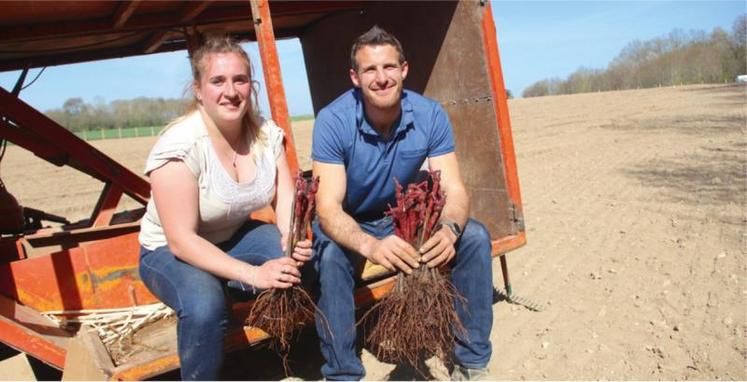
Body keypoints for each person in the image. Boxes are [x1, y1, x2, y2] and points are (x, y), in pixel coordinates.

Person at [311, 26, 494, 380]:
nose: (381, 78)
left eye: (389, 67)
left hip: (402, 217)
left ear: (404, 69)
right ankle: (342, 373)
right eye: (370, 70)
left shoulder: (429, 115)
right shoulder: (333, 121)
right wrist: (370, 245)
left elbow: (455, 190)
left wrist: (449, 227)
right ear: (355, 77)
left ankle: (472, 360)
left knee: (475, 237)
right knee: (331, 257)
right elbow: (328, 208)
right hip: (353, 221)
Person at [137, 35, 312, 380]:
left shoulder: (265, 134)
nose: (231, 91)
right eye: (218, 81)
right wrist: (252, 274)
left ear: (251, 85)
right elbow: (182, 241)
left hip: (233, 235)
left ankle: (286, 348)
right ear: (199, 89)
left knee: (299, 263)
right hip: (169, 252)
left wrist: (294, 239)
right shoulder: (180, 145)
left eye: (240, 79)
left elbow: (286, 199)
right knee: (206, 306)